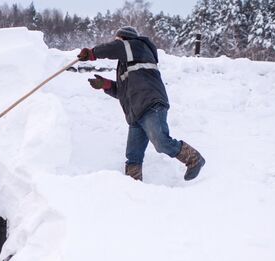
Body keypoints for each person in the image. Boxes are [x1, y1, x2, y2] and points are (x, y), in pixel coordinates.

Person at [78, 26, 205, 181]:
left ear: (126, 39)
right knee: (133, 156)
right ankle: (134, 188)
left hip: (151, 105)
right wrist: (105, 85)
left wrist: (92, 53)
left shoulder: (139, 46)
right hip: (136, 114)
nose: (116, 44)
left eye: (118, 41)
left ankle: (194, 159)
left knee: (161, 142)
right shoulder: (126, 64)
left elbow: (117, 48)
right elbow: (123, 93)